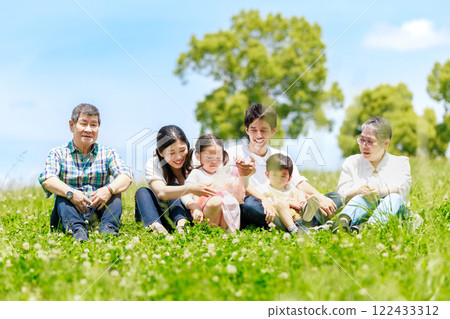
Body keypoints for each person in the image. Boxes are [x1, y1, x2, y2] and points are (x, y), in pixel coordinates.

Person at [226, 103, 342, 230]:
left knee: (335, 198)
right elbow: (232, 188)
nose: (258, 135)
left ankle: (294, 225)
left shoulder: (281, 155)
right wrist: (267, 201)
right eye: (253, 130)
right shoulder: (233, 153)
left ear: (273, 131)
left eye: (264, 130)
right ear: (247, 130)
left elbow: (298, 182)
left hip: (290, 206)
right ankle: (303, 225)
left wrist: (319, 196)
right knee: (249, 206)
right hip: (263, 206)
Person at [38, 103, 133, 241]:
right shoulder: (57, 153)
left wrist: (108, 189)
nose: (89, 129)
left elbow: (126, 176)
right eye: (84, 124)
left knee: (115, 191)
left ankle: (108, 230)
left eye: (93, 125)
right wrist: (71, 193)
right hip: (68, 211)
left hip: (98, 209)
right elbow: (47, 178)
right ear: (72, 125)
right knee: (62, 194)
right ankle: (77, 231)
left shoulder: (108, 153)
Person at [333, 116, 411, 233]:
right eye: (362, 140)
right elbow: (341, 193)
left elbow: (402, 188)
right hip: (358, 213)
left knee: (393, 198)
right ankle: (342, 223)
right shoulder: (352, 162)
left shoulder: (401, 162)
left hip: (394, 213)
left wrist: (379, 192)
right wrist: (358, 191)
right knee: (361, 198)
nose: (364, 145)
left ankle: (371, 228)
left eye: (370, 141)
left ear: (385, 144)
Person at [135, 125, 216, 234]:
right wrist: (190, 188)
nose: (178, 157)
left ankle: (182, 225)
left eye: (182, 150)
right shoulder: (153, 164)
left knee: (174, 187)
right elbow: (161, 192)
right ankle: (156, 227)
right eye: (171, 153)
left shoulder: (196, 160)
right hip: (163, 215)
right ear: (160, 152)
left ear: (187, 146)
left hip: (192, 213)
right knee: (142, 192)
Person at [181, 134, 245, 231]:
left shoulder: (222, 173)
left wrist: (240, 167)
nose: (214, 161)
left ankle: (225, 233)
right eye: (209, 157)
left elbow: (238, 193)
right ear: (198, 156)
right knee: (216, 201)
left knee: (230, 200)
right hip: (203, 212)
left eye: (218, 158)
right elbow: (185, 194)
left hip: (221, 216)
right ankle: (208, 232)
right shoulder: (197, 173)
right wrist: (195, 208)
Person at [261, 154, 320, 234]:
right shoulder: (266, 189)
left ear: (289, 179)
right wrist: (289, 203)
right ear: (267, 175)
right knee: (281, 203)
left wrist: (302, 199)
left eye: (283, 176)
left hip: (297, 214)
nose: (278, 179)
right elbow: (269, 204)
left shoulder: (289, 187)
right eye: (275, 175)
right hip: (282, 216)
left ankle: (305, 208)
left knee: (300, 193)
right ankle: (293, 229)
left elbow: (297, 195)